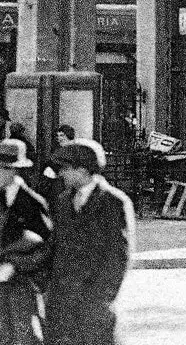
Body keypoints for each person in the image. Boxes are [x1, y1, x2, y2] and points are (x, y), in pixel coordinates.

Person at [45, 139, 134, 345]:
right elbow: (56, 247)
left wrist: (101, 300)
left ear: (83, 170)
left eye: (66, 168)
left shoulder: (113, 202)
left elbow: (118, 258)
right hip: (62, 304)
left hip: (94, 306)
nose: (61, 174)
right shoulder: (63, 200)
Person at [0, 139, 52, 345]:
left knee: (25, 336)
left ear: (11, 171)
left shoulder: (31, 202)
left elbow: (47, 246)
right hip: (0, 284)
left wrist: (16, 264)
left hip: (25, 286)